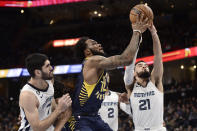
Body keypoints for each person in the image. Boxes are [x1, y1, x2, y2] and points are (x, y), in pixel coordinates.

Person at [66, 14, 149, 131]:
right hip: (80, 119)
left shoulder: (99, 68)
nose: (99, 44)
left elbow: (100, 90)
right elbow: (126, 59)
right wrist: (137, 31)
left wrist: (118, 95)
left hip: (94, 117)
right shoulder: (92, 61)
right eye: (94, 43)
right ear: (88, 51)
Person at [123, 23, 167, 131]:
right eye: (140, 65)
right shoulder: (130, 87)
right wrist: (136, 37)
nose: (144, 66)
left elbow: (158, 57)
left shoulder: (155, 81)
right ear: (134, 73)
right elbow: (129, 63)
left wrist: (154, 33)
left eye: (146, 65)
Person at [18, 53, 72, 131]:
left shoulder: (49, 82)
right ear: (38, 72)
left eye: (50, 65)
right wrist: (59, 109)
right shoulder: (28, 94)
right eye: (47, 66)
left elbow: (51, 104)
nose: (51, 68)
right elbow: (37, 128)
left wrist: (60, 106)